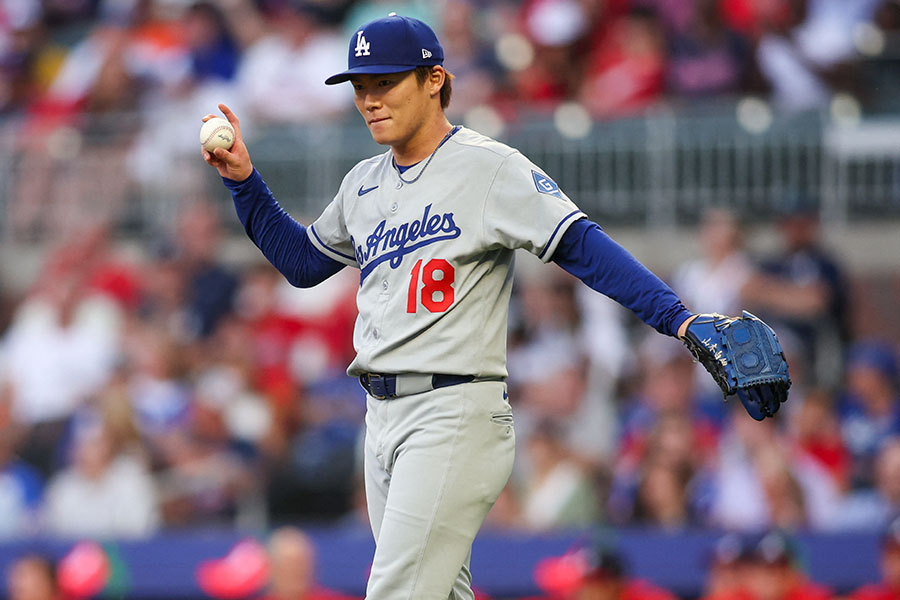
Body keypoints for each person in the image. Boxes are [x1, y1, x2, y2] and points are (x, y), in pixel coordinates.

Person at [201, 14, 786, 599]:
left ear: (434, 79)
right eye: (360, 86)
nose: (370, 100)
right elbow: (303, 263)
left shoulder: (489, 167)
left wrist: (678, 318)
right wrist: (245, 183)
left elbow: (581, 245)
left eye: (386, 82)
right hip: (380, 418)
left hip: (452, 412)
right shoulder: (362, 183)